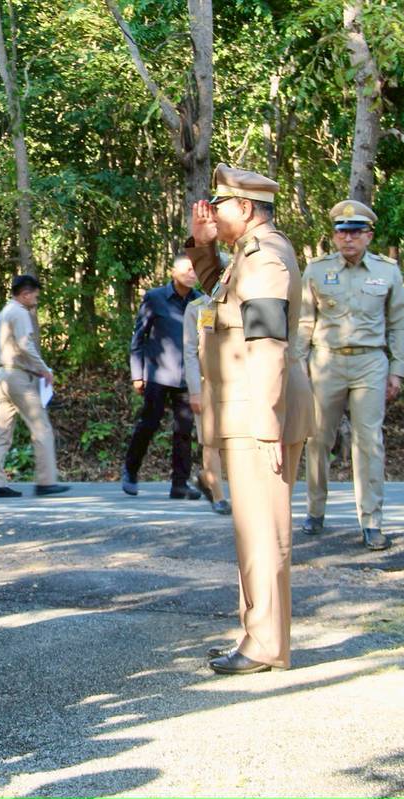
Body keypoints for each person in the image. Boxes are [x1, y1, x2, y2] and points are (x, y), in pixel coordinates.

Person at [186, 163, 313, 675]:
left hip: (261, 408)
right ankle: (257, 633)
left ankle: (265, 643)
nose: (212, 213)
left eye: (219, 206)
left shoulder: (265, 258)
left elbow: (267, 344)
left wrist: (267, 421)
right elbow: (221, 295)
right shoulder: (245, 257)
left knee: (264, 530)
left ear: (246, 207)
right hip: (247, 407)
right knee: (251, 528)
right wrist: (202, 247)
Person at [295, 200, 404, 551]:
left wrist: (397, 371)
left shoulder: (387, 271)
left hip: (370, 362)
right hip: (326, 362)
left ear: (368, 236)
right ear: (334, 235)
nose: (348, 239)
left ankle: (371, 521)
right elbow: (303, 322)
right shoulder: (315, 270)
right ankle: (315, 511)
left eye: (356, 232)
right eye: (342, 232)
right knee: (317, 440)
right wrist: (299, 367)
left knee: (369, 442)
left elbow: (398, 323)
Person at [123, 254, 203, 499]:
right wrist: (138, 374)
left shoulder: (201, 302)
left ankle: (179, 484)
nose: (192, 273)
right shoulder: (155, 298)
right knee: (148, 424)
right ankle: (130, 470)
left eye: (195, 269)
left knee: (184, 431)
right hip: (157, 375)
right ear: (173, 272)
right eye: (187, 269)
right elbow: (139, 338)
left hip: (187, 378)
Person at [0, 274, 69, 499]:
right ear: (25, 294)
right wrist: (44, 369)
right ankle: (46, 481)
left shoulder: (4, 312)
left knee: (2, 431)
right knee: (41, 427)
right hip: (18, 377)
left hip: (3, 375)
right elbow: (25, 346)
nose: (36, 299)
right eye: (35, 295)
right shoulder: (20, 313)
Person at [182, 287, 231, 515]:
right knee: (210, 440)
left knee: (234, 443)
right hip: (207, 383)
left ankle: (204, 478)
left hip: (237, 382)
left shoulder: (240, 303)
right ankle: (219, 496)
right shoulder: (197, 308)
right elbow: (190, 351)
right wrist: (194, 390)